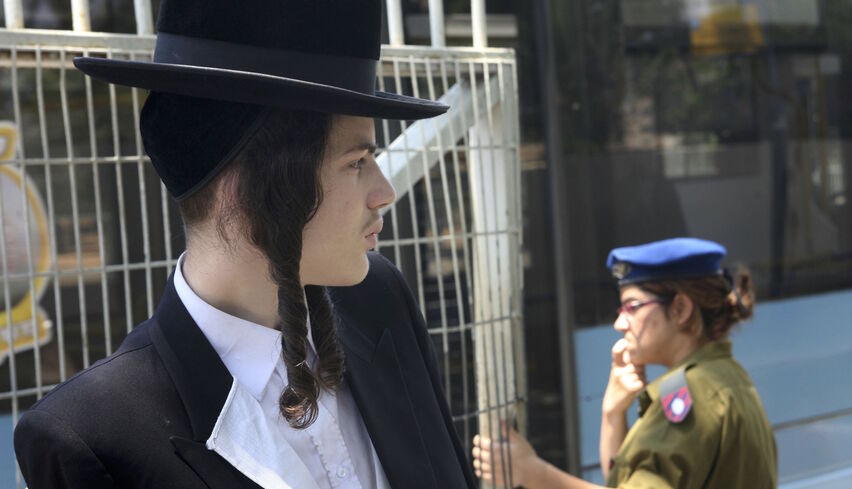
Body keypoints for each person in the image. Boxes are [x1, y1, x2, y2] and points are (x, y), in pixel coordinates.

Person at [13, 1, 476, 488]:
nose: (385, 192)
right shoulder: (92, 437)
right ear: (248, 188)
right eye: (357, 162)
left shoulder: (378, 301)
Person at [473, 237, 777, 488]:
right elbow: (624, 480)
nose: (619, 323)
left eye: (632, 307)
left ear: (681, 308)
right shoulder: (725, 377)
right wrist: (612, 412)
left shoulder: (691, 397)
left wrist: (533, 472)